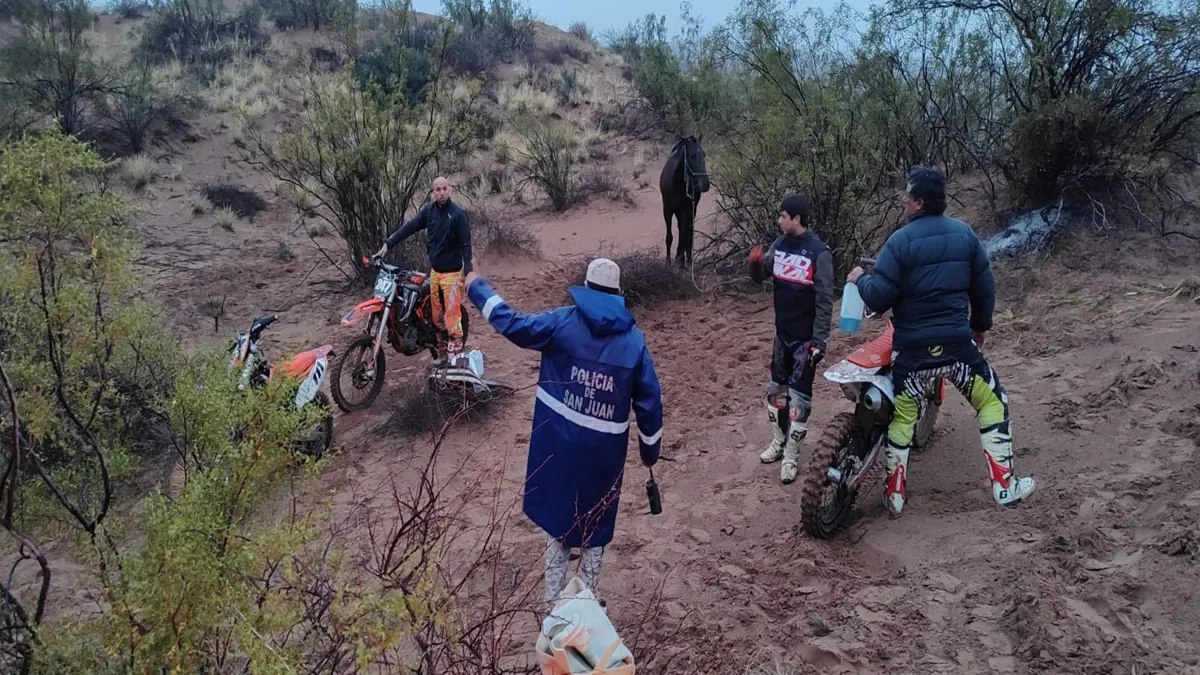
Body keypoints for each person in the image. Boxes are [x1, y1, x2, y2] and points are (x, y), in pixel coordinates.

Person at [464, 257, 663, 611]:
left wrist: (477, 286)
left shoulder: (561, 323)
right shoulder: (634, 343)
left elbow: (511, 323)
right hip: (604, 459)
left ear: (585, 288)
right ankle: (586, 606)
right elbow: (650, 404)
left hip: (558, 450)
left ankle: (553, 608)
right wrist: (650, 453)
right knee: (595, 530)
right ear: (619, 292)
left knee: (559, 525)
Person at [847, 165, 1037, 517]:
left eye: (907, 196)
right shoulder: (965, 235)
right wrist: (979, 327)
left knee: (903, 417)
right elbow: (984, 288)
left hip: (911, 353)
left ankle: (894, 496)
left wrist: (859, 279)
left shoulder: (899, 242)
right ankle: (1005, 488)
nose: (903, 201)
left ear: (919, 202)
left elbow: (877, 298)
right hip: (957, 348)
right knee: (993, 403)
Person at [747, 193, 834, 484]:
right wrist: (755, 264)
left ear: (796, 219)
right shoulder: (780, 244)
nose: (779, 221)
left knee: (800, 400)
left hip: (805, 340)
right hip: (782, 335)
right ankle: (779, 442)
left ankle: (792, 455)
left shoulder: (819, 253)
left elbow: (825, 302)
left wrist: (820, 341)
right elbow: (760, 276)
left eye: (783, 216)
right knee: (775, 392)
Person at [375, 176, 473, 362]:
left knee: (452, 317)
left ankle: (456, 356)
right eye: (438, 189)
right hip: (435, 272)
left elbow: (466, 246)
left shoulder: (458, 214)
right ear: (433, 192)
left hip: (452, 274)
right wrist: (389, 243)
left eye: (444, 189)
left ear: (450, 190)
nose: (441, 193)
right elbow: (410, 227)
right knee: (436, 318)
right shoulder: (429, 211)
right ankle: (442, 353)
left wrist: (468, 272)